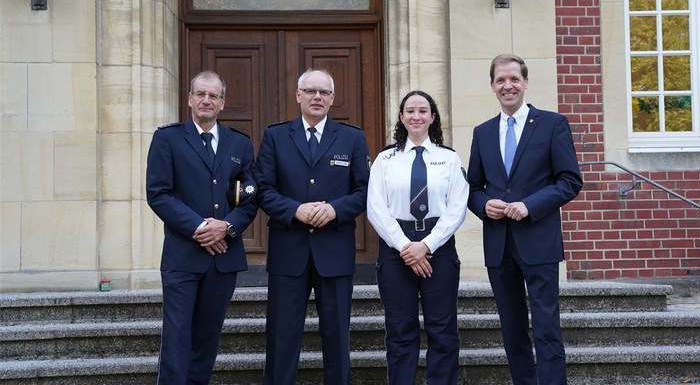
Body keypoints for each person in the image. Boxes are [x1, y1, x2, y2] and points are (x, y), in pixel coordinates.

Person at [466, 54, 583, 385]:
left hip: (538, 241)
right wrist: (484, 204)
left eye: (514, 79)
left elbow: (569, 181)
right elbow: (473, 187)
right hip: (499, 245)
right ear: (492, 86)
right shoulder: (482, 132)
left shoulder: (552, 124)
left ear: (526, 82)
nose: (508, 86)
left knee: (546, 329)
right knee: (512, 331)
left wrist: (529, 206)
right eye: (501, 80)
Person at [254, 69, 370, 385]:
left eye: (323, 92)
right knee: (281, 336)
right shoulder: (275, 136)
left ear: (332, 98)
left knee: (336, 336)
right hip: (288, 251)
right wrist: (295, 210)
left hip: (334, 250)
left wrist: (334, 209)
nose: (317, 97)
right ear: (298, 95)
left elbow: (364, 192)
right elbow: (263, 188)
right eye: (310, 91)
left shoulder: (352, 138)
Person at [146, 70, 258, 384]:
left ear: (222, 103)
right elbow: (158, 194)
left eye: (213, 96)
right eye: (200, 94)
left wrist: (227, 226)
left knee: (207, 339)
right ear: (190, 99)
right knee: (177, 337)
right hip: (183, 257)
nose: (206, 100)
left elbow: (250, 194)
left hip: (223, 259)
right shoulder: (167, 138)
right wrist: (200, 227)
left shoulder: (240, 143)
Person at [367, 90, 469, 385]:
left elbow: (457, 207)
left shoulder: (448, 159)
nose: (416, 116)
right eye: (410, 110)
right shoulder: (386, 159)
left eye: (423, 111)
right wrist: (405, 247)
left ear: (432, 117)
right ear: (401, 117)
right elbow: (376, 207)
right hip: (396, 247)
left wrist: (426, 245)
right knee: (400, 331)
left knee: (443, 330)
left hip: (438, 245)